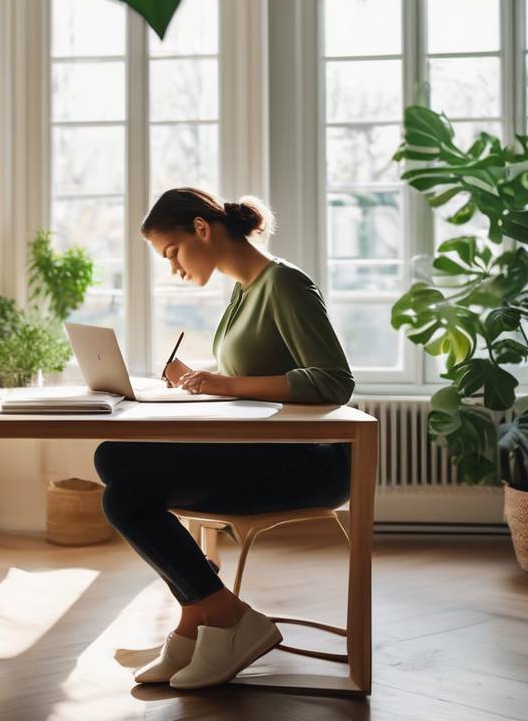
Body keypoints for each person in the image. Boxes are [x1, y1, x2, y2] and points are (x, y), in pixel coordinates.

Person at [94, 187, 354, 689]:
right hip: (264, 451)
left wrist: (225, 384)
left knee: (126, 497)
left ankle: (229, 618)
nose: (172, 267)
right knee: (113, 455)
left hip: (310, 463)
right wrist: (201, 377)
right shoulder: (244, 290)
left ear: (202, 229)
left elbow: (332, 380)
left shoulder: (286, 284)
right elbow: (257, 372)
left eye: (171, 253)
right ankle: (196, 621)